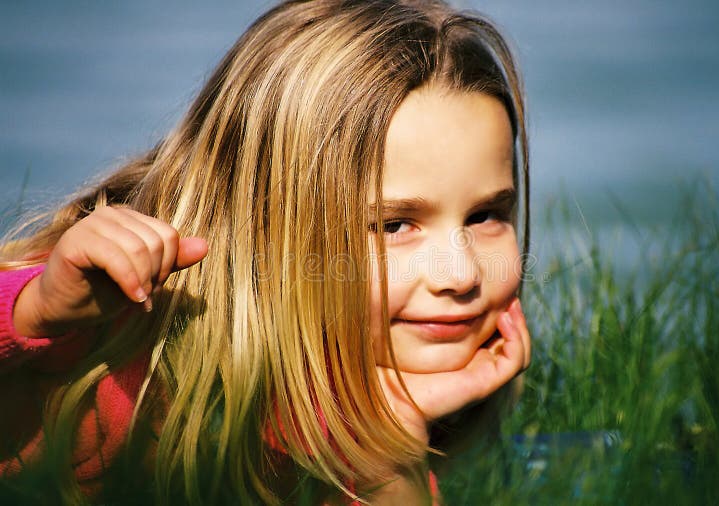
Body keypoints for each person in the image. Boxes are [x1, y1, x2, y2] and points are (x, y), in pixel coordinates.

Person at [0, 0, 531, 503]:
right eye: (394, 225)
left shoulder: (351, 411)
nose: (460, 274)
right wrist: (35, 312)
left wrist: (390, 451)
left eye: (486, 215)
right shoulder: (130, 339)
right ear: (267, 225)